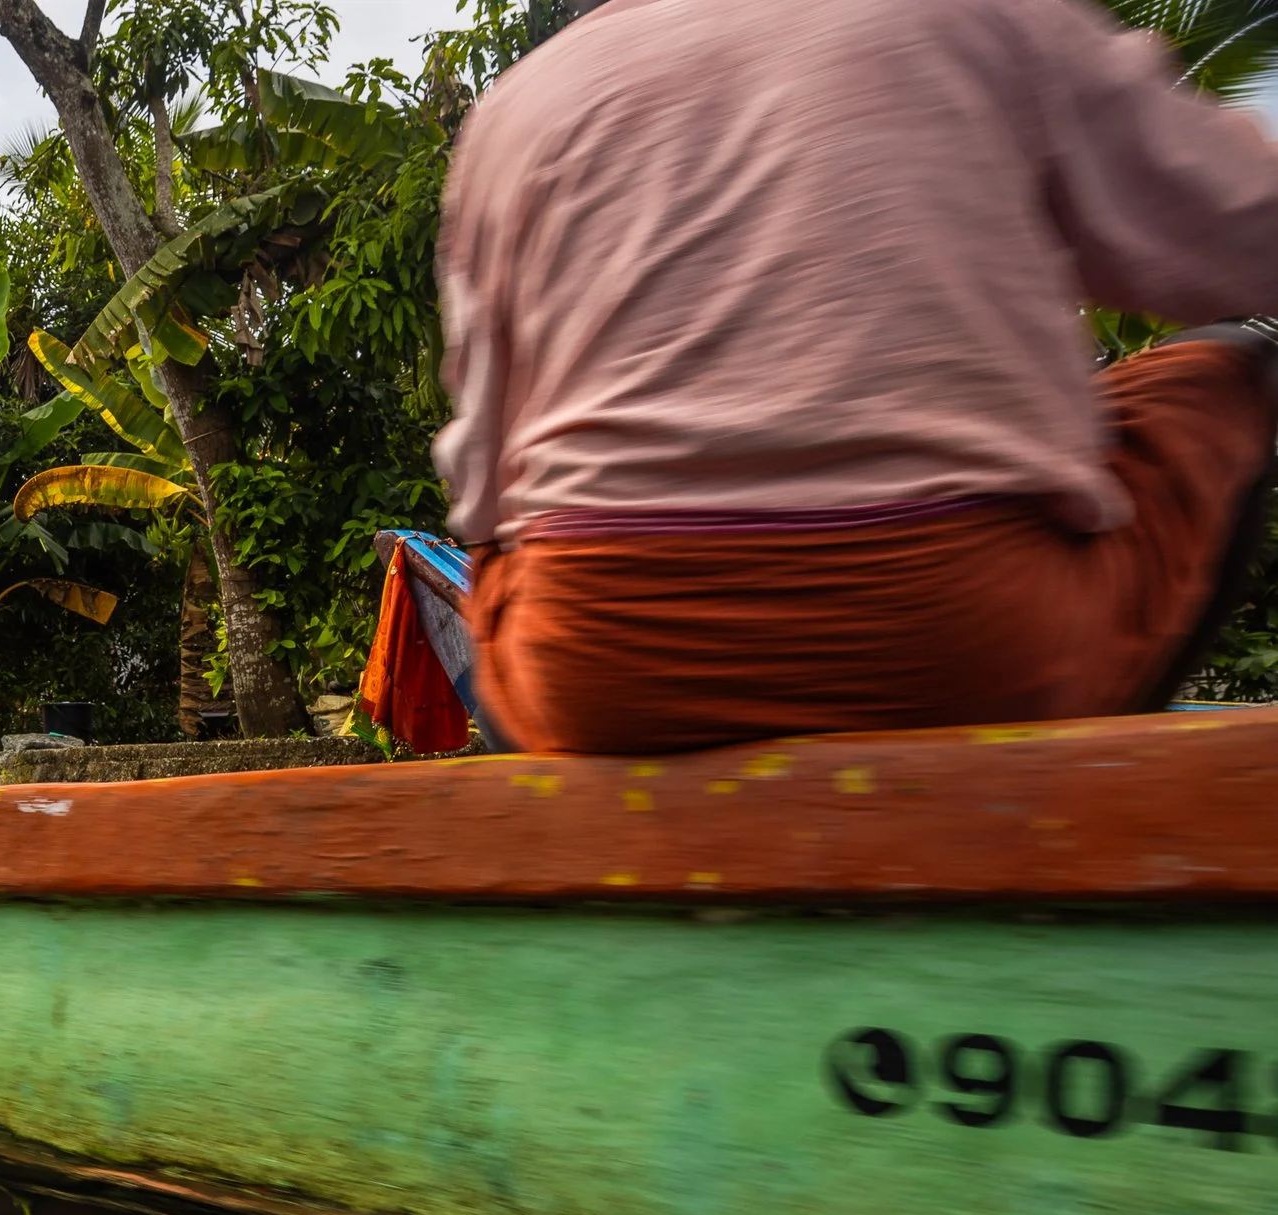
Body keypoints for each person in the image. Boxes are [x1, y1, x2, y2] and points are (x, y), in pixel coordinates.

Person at [435, 0, 1278, 755]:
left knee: (513, 594)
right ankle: (1079, 770)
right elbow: (1250, 233)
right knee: (1233, 361)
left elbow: (481, 468)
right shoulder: (991, 19)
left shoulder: (520, 103)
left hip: (605, 671)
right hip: (967, 651)